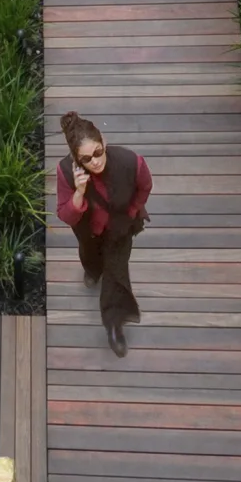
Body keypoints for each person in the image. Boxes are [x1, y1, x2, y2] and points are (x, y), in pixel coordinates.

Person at [54, 111, 152, 358]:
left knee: (116, 274)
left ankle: (114, 324)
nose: (95, 161)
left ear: (104, 142)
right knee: (90, 258)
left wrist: (131, 211)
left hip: (120, 230)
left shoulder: (131, 161)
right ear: (77, 160)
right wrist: (79, 191)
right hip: (90, 231)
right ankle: (91, 269)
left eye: (98, 152)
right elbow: (66, 215)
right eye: (86, 158)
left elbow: (145, 185)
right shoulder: (66, 172)